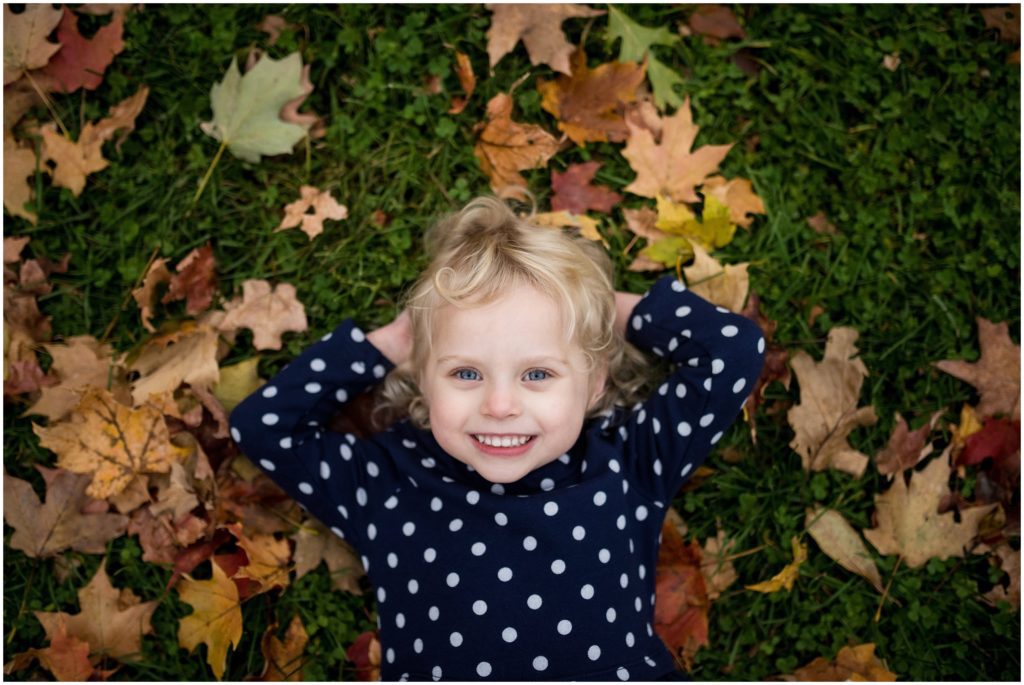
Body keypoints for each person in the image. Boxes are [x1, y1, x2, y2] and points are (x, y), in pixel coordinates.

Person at [229, 196, 765, 681]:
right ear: (422, 376)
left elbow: (733, 350)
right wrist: (396, 340)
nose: (500, 405)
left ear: (594, 380)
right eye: (466, 374)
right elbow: (262, 427)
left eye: (538, 374)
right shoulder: (388, 482)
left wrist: (596, 307)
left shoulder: (630, 463)